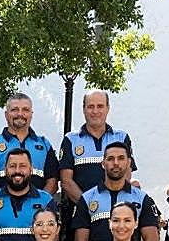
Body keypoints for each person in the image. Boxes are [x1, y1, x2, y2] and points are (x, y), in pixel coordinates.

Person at [58, 90, 135, 221]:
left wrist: (110, 206)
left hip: (116, 214)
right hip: (81, 215)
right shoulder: (71, 139)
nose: (95, 111)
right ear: (83, 109)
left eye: (100, 106)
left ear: (108, 108)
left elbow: (126, 174)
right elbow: (66, 182)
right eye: (90, 106)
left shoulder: (122, 137)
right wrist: (89, 206)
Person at [71, 141, 160, 241]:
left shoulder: (142, 199)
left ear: (129, 163)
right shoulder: (87, 198)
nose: (116, 163)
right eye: (111, 159)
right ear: (103, 163)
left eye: (121, 158)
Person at [0, 93, 58, 195]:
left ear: (31, 114)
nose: (20, 114)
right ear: (6, 115)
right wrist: (3, 203)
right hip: (2, 209)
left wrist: (41, 203)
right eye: (15, 110)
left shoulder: (45, 145)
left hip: (38, 209)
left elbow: (53, 182)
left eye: (25, 110)